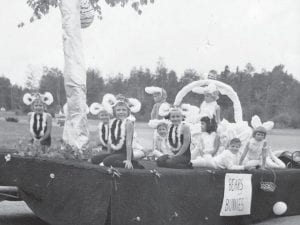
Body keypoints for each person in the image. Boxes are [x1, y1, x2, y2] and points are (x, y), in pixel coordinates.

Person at [91, 94, 144, 169]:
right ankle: (112, 160)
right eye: (118, 110)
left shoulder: (129, 123)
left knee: (106, 162)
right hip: (115, 152)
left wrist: (128, 160)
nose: (121, 112)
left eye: (124, 110)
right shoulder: (112, 122)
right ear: (114, 112)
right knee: (94, 159)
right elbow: (110, 140)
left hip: (124, 153)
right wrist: (108, 153)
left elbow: (129, 143)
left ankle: (133, 163)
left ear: (128, 112)